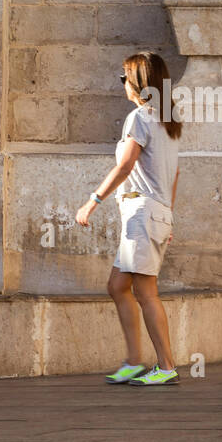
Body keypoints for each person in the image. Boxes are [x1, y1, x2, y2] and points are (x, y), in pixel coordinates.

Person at [75, 52, 182, 387]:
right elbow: (173, 174)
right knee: (117, 286)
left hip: (142, 213)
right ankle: (134, 362)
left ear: (138, 82)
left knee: (145, 291)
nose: (121, 84)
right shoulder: (167, 119)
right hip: (153, 213)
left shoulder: (140, 117)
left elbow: (125, 167)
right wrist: (169, 216)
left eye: (124, 78)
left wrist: (92, 202)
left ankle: (166, 366)